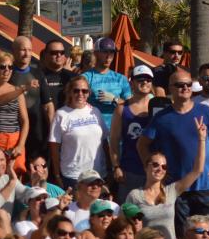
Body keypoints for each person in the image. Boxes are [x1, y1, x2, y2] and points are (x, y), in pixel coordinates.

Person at [141, 69, 209, 234]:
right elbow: (142, 144)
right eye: (180, 85)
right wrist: (153, 171)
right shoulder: (161, 118)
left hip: (205, 187)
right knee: (182, 236)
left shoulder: (205, 111)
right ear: (170, 88)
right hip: (176, 189)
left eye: (189, 84)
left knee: (208, 236)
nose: (185, 88)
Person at [125, 114, 208, 239]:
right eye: (155, 165)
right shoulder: (134, 195)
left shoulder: (171, 191)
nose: (160, 169)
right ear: (146, 167)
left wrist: (202, 139)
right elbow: (126, 227)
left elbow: (197, 170)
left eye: (164, 166)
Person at [49, 76, 110, 187]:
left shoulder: (95, 111)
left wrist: (110, 167)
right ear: (70, 92)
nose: (80, 94)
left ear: (88, 93)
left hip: (98, 173)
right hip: (73, 175)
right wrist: (57, 175)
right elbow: (54, 148)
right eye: (76, 90)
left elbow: (104, 141)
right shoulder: (61, 114)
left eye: (84, 91)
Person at [109, 64, 154, 198]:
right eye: (140, 79)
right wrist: (116, 167)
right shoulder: (122, 109)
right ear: (131, 83)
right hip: (130, 170)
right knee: (128, 214)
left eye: (148, 79)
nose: (145, 82)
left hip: (156, 170)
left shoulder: (159, 106)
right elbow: (114, 140)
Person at [27, 38, 72, 161]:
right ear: (45, 54)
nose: (58, 55)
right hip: (40, 134)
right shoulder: (35, 76)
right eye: (53, 52)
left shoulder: (72, 78)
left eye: (61, 53)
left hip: (67, 133)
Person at [82, 36, 131, 127]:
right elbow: (76, 104)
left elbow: (131, 107)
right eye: (105, 52)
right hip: (92, 130)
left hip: (116, 132)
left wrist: (115, 99)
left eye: (112, 52)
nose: (109, 56)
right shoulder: (85, 78)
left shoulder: (121, 78)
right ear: (96, 53)